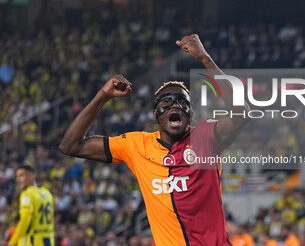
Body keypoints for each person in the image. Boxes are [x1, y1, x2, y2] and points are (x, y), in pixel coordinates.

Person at [59, 34, 251, 246]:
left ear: (190, 114)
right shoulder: (136, 145)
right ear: (155, 113)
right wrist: (103, 95)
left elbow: (241, 113)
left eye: (182, 102)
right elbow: (70, 145)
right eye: (167, 101)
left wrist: (205, 59)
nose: (175, 105)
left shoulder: (206, 138)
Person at [4, 165, 54, 246]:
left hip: (34, 240)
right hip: (48, 240)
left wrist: (12, 242)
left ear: (31, 176)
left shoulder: (27, 194)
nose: (18, 179)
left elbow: (25, 221)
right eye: (17, 176)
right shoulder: (47, 193)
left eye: (21, 175)